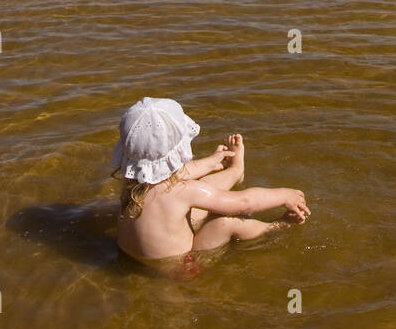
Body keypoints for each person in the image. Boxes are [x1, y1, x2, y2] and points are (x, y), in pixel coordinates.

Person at [112, 97, 310, 267]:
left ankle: (234, 172)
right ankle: (276, 226)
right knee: (225, 221)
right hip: (182, 266)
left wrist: (210, 163)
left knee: (202, 188)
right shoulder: (184, 192)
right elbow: (244, 203)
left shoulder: (134, 180)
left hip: (134, 257)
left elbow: (176, 174)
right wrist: (284, 195)